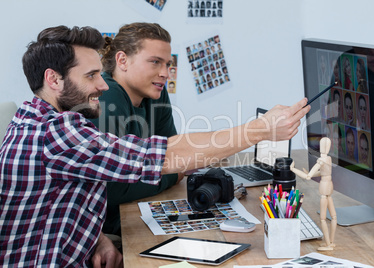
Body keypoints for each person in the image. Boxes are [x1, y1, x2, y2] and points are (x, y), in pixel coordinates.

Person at [0, 25, 310, 267]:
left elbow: (167, 145)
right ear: (54, 79)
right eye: (91, 75)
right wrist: (261, 129)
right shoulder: (57, 133)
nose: (103, 84)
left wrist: (94, 239)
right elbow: (165, 155)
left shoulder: (35, 121)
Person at [91, 23, 183, 238]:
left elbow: (175, 155)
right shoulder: (107, 97)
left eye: (167, 64)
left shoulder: (156, 93)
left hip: (140, 208)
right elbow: (113, 191)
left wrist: (173, 169)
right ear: (122, 60)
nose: (165, 73)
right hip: (108, 224)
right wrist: (174, 175)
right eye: (155, 62)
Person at [290, 137, 337, 251]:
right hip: (330, 185)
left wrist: (293, 169)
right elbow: (322, 172)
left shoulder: (321, 160)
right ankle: (330, 242)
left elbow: (308, 177)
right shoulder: (329, 159)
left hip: (324, 187)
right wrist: (311, 173)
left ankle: (328, 245)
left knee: (322, 218)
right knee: (334, 216)